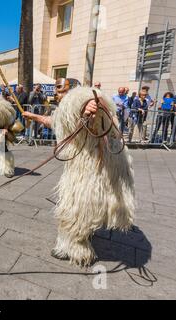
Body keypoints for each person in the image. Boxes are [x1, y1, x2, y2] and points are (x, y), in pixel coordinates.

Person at [22, 78, 135, 267]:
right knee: (82, 204)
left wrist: (89, 109)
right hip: (81, 163)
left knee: (76, 206)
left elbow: (106, 122)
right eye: (57, 91)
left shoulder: (89, 100)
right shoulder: (65, 109)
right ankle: (76, 240)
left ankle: (76, 246)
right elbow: (56, 121)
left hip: (94, 164)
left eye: (62, 89)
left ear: (72, 89)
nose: (59, 93)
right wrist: (34, 117)